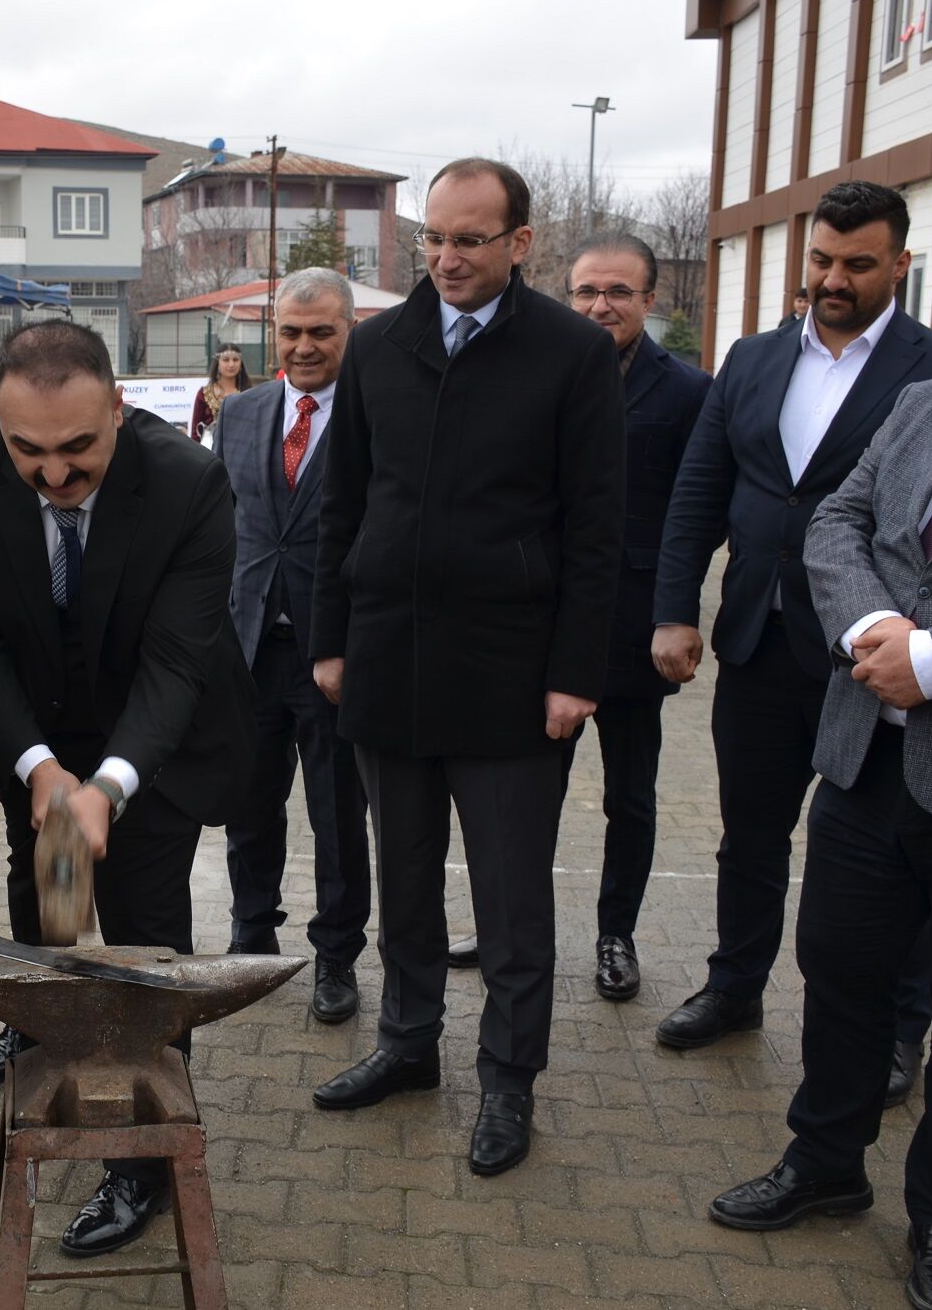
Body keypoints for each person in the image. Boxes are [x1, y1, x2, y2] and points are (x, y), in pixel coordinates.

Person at [709, 195, 932, 1310]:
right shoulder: (928, 400)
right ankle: (824, 1162)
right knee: (840, 978)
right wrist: (873, 630)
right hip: (868, 762)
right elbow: (835, 523)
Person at [307, 158, 624, 1178]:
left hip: (511, 674)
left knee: (509, 898)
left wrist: (574, 673)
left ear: (520, 242)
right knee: (402, 880)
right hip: (387, 662)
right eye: (433, 239)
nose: (445, 258)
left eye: (469, 240)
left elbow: (597, 530)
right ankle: (407, 1045)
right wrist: (328, 640)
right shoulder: (377, 345)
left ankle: (507, 1078)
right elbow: (342, 504)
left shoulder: (573, 353)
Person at [0, 318, 255, 1257]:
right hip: (36, 724)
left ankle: (141, 1156)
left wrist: (106, 789)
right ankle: (41, 1032)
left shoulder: (189, 482)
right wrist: (40, 768)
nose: (54, 474)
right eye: (27, 450)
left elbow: (176, 662)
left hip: (154, 736)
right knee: (43, 891)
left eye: (77, 447)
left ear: (117, 406)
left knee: (144, 935)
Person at [650, 182, 932, 1109]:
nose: (834, 279)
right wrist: (675, 609)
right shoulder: (752, 358)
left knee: (891, 851)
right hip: (758, 635)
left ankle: (900, 1026)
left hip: (875, 655)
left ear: (900, 264)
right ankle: (735, 987)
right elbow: (700, 488)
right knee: (750, 832)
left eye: (858, 265)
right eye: (822, 260)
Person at [555, 233, 713, 998]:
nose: (600, 306)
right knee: (522, 794)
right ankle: (509, 920)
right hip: (545, 626)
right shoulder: (540, 376)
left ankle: (616, 934)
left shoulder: (688, 392)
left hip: (634, 629)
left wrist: (675, 611)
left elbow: (698, 509)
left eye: (618, 291)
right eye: (587, 291)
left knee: (631, 797)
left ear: (650, 300)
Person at [211, 268, 370, 1022]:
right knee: (248, 801)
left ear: (350, 332)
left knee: (337, 813)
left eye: (321, 332)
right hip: (248, 650)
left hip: (334, 654)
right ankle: (251, 934)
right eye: (290, 332)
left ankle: (336, 954)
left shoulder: (376, 415)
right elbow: (220, 524)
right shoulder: (240, 412)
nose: (303, 346)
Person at [188, 342, 251, 444]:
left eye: (235, 360)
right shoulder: (204, 394)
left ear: (240, 364)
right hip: (210, 448)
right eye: (226, 360)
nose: (231, 364)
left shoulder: (249, 393)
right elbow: (195, 431)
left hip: (242, 446)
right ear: (217, 363)